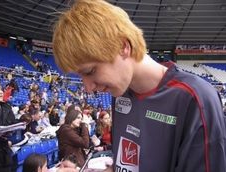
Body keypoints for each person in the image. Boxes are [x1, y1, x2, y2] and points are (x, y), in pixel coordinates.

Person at [52, 0, 226, 172]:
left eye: (90, 71)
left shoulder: (195, 98)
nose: (88, 88)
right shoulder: (119, 94)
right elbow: (127, 165)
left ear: (123, 47)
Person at [0, 79, 16, 172]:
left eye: (1, 89)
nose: (1, 92)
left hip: (4, 155)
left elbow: (13, 124)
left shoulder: (7, 107)